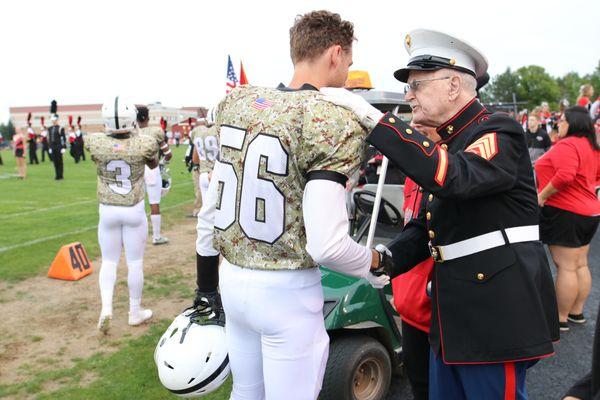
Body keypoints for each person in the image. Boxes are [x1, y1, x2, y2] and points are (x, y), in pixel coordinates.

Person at [322, 28, 559, 400]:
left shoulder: (498, 130)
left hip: (495, 314)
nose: (408, 95)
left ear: (453, 86)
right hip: (453, 315)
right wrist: (384, 259)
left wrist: (375, 120)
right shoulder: (447, 143)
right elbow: (430, 226)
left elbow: (455, 178)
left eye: (417, 85)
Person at [195, 10, 389, 400]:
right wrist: (375, 264)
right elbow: (328, 246)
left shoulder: (240, 102)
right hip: (287, 291)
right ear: (335, 54)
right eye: (348, 64)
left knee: (246, 393)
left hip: (233, 280)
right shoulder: (330, 117)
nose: (348, 75)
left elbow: (209, 211)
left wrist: (205, 286)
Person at [87, 97, 159, 334]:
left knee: (108, 261)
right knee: (134, 263)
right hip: (133, 209)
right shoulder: (144, 142)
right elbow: (153, 163)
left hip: (107, 209)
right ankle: (134, 311)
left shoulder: (96, 142)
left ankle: (106, 308)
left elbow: (99, 154)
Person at [535, 106, 600, 331]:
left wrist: (541, 196)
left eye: (562, 120)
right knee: (579, 264)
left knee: (566, 267)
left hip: (567, 211)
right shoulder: (592, 146)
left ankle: (560, 317)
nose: (558, 124)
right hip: (589, 211)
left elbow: (565, 175)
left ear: (572, 123)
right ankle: (575, 311)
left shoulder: (568, 145)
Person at [391, 122, 439, 400]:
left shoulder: (450, 173)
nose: (415, 128)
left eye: (424, 124)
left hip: (435, 308)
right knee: (419, 386)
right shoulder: (412, 173)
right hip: (409, 302)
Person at [136, 105, 172, 245]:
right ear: (148, 117)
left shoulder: (133, 132)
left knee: (138, 203)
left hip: (136, 169)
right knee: (154, 203)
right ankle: (156, 236)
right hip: (152, 168)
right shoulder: (156, 131)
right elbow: (168, 154)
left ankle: (138, 236)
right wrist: (162, 162)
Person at [48, 114, 66, 180]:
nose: (53, 121)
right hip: (52, 147)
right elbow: (49, 138)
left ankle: (60, 175)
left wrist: (63, 147)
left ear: (57, 120)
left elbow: (63, 138)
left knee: (59, 162)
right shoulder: (50, 128)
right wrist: (49, 147)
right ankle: (57, 175)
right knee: (55, 162)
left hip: (59, 147)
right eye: (53, 120)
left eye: (55, 120)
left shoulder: (60, 128)